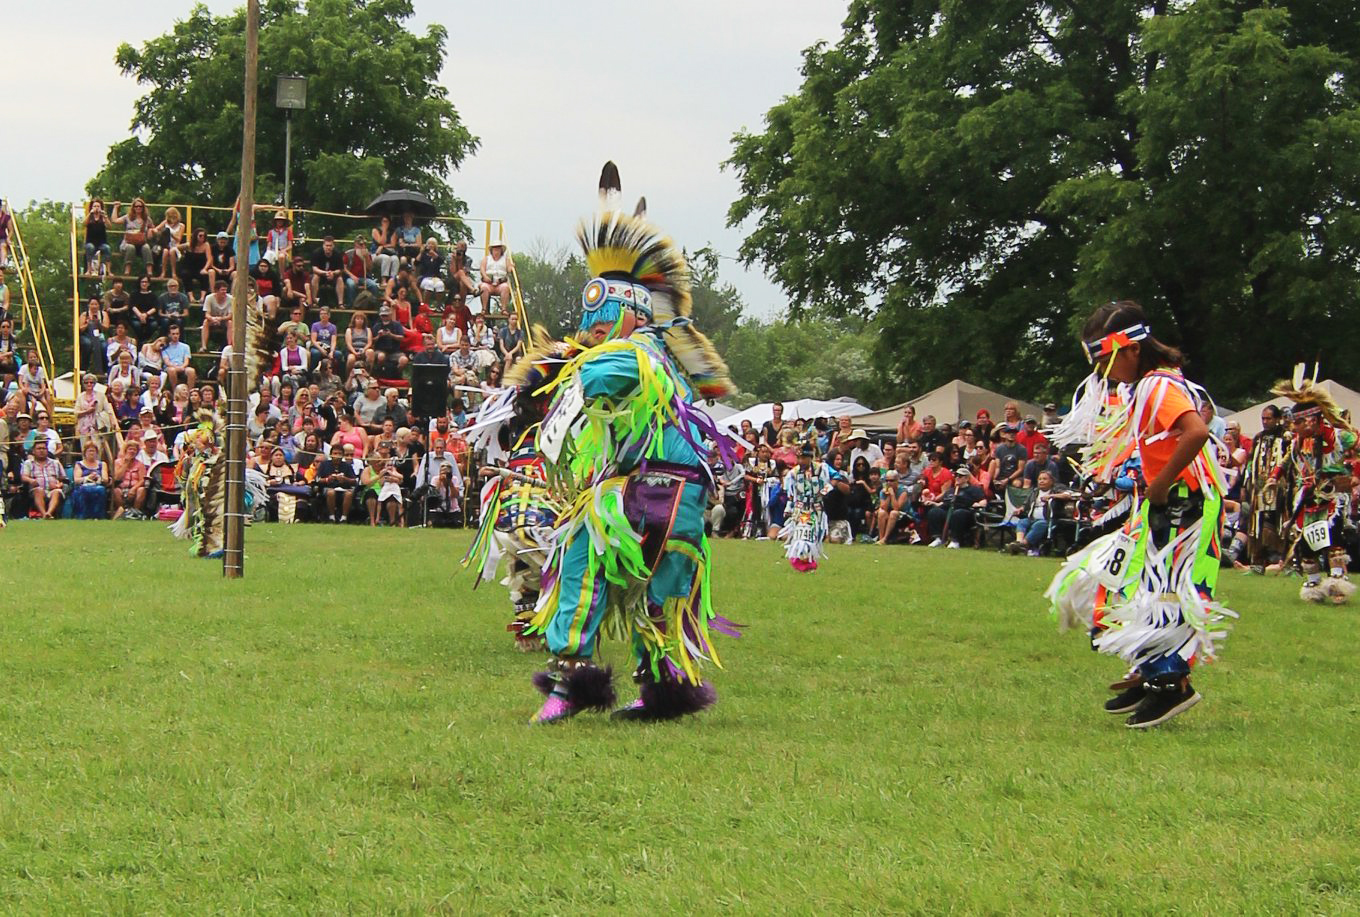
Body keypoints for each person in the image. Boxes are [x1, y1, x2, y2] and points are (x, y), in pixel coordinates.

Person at [523, 164, 738, 725]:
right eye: (587, 326)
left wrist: (556, 374)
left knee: (615, 569)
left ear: (622, 315)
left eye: (598, 324)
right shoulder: (647, 350)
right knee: (614, 568)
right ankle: (614, 684)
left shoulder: (635, 352)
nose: (589, 334)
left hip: (661, 489)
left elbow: (593, 380)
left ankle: (606, 685)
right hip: (651, 487)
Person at [1047, 299, 1234, 728]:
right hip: (1169, 500)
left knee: (1162, 593)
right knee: (1122, 581)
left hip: (1183, 501)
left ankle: (1170, 684)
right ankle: (1150, 671)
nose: (1105, 373)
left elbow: (1197, 432)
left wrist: (1164, 481)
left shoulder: (1156, 386)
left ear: (1132, 350)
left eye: (1109, 361)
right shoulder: (1151, 383)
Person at [1269, 367, 1358, 603]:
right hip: (1308, 497)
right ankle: (1313, 585)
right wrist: (1273, 476)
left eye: (1297, 422)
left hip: (1332, 497)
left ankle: (1338, 586)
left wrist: (1353, 473)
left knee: (1333, 539)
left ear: (1310, 419)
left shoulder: (1340, 437)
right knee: (1307, 543)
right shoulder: (1300, 441)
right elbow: (1287, 460)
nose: (1293, 427)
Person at [1235, 404, 1289, 573]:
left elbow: (1289, 461)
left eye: (1269, 419)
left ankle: (1280, 560)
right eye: (1263, 419)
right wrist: (1246, 484)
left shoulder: (1285, 438)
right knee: (1256, 525)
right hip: (1259, 489)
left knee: (1276, 523)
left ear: (1278, 419)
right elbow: (1250, 463)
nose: (1265, 422)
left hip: (1279, 489)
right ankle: (1258, 562)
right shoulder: (1258, 438)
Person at [780, 445, 830, 571]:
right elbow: (791, 494)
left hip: (816, 508)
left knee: (813, 535)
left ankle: (808, 561)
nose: (801, 461)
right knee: (802, 534)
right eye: (799, 458)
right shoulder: (793, 473)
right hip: (802, 509)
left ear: (810, 457)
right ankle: (802, 562)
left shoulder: (821, 469)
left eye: (804, 458)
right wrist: (788, 508)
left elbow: (833, 481)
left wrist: (822, 493)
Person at [925, 465, 987, 548]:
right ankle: (938, 538)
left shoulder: (974, 490)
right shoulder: (951, 491)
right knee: (934, 512)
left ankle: (955, 540)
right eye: (956, 475)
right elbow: (943, 504)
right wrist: (933, 503)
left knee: (958, 514)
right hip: (949, 512)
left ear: (966, 478)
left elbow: (983, 501)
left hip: (965, 514)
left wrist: (978, 504)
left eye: (960, 476)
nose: (957, 478)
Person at [21, 438, 65, 519]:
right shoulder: (28, 463)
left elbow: (64, 479)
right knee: (38, 491)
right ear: (33, 451)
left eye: (44, 448)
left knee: (57, 492)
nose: (41, 450)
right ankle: (44, 513)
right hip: (36, 490)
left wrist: (59, 484)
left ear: (47, 451)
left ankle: (48, 513)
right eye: (39, 448)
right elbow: (24, 477)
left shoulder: (55, 463)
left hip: (52, 490)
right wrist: (31, 480)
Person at [110, 198, 153, 275]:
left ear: (143, 208)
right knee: (131, 247)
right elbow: (114, 220)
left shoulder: (146, 219)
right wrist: (115, 207)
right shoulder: (128, 217)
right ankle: (127, 270)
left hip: (141, 243)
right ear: (133, 207)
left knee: (146, 247)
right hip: (128, 242)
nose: (138, 208)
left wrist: (150, 230)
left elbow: (153, 228)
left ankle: (149, 271)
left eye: (140, 206)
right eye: (136, 206)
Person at [71, 441, 110, 519]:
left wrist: (98, 477)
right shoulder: (79, 464)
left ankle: (97, 517)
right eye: (89, 451)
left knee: (100, 490)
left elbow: (105, 479)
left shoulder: (102, 464)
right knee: (84, 490)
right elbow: (76, 480)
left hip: (97, 485)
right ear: (85, 453)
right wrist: (88, 477)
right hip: (83, 486)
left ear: (97, 453)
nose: (91, 453)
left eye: (93, 451)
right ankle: (83, 516)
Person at [344, 236, 382, 305]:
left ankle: (373, 305)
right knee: (351, 284)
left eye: (364, 244)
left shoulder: (367, 254)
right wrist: (352, 276)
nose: (363, 246)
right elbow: (344, 268)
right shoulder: (348, 254)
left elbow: (370, 268)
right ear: (356, 244)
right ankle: (351, 305)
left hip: (364, 277)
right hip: (351, 277)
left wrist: (366, 257)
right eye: (361, 244)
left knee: (373, 285)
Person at [178, 227, 212, 303]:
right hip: (188, 267)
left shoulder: (206, 245)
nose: (202, 237)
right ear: (196, 236)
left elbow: (209, 258)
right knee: (185, 274)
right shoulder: (189, 245)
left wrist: (205, 269)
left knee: (204, 275)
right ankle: (191, 297)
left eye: (204, 236)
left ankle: (202, 297)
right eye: (200, 236)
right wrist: (182, 252)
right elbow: (177, 247)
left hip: (200, 268)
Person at [479, 241, 513, 313]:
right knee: (483, 287)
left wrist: (511, 267)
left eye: (498, 249)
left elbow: (509, 269)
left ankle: (503, 309)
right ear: (492, 250)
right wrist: (485, 277)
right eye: (494, 249)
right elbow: (482, 268)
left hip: (501, 283)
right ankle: (484, 309)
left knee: (506, 287)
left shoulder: (506, 259)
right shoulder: (486, 259)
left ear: (501, 250)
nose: (496, 251)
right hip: (488, 283)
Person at [311, 236, 345, 307]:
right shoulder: (317, 253)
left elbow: (340, 269)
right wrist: (325, 273)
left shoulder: (338, 254)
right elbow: (314, 268)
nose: (328, 247)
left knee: (340, 279)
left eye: (330, 246)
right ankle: (314, 302)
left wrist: (333, 273)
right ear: (323, 245)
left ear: (333, 246)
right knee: (315, 278)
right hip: (320, 275)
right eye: (327, 245)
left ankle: (340, 303)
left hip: (333, 276)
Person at [200, 280, 233, 352]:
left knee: (230, 323)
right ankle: (203, 346)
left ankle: (229, 345)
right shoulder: (209, 298)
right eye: (222, 290)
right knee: (205, 322)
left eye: (225, 290)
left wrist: (220, 319)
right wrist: (212, 319)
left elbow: (230, 315)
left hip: (224, 320)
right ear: (217, 291)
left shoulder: (230, 299)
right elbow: (207, 314)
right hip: (213, 320)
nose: (224, 292)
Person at [84, 199, 113, 276]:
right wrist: (90, 214)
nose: (96, 208)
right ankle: (89, 270)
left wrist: (105, 217)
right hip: (90, 242)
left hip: (102, 243)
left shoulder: (103, 217)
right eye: (94, 206)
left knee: (107, 248)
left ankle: (109, 271)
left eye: (98, 206)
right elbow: (84, 224)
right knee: (90, 248)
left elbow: (110, 226)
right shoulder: (90, 217)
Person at [371, 216, 399, 281]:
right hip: (376, 254)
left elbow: (393, 244)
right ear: (381, 222)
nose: (385, 223)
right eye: (384, 221)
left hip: (388, 253)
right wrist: (384, 230)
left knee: (395, 259)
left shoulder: (392, 231)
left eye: (387, 221)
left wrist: (383, 247)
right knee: (386, 258)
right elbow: (381, 242)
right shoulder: (375, 230)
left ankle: (392, 279)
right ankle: (384, 280)